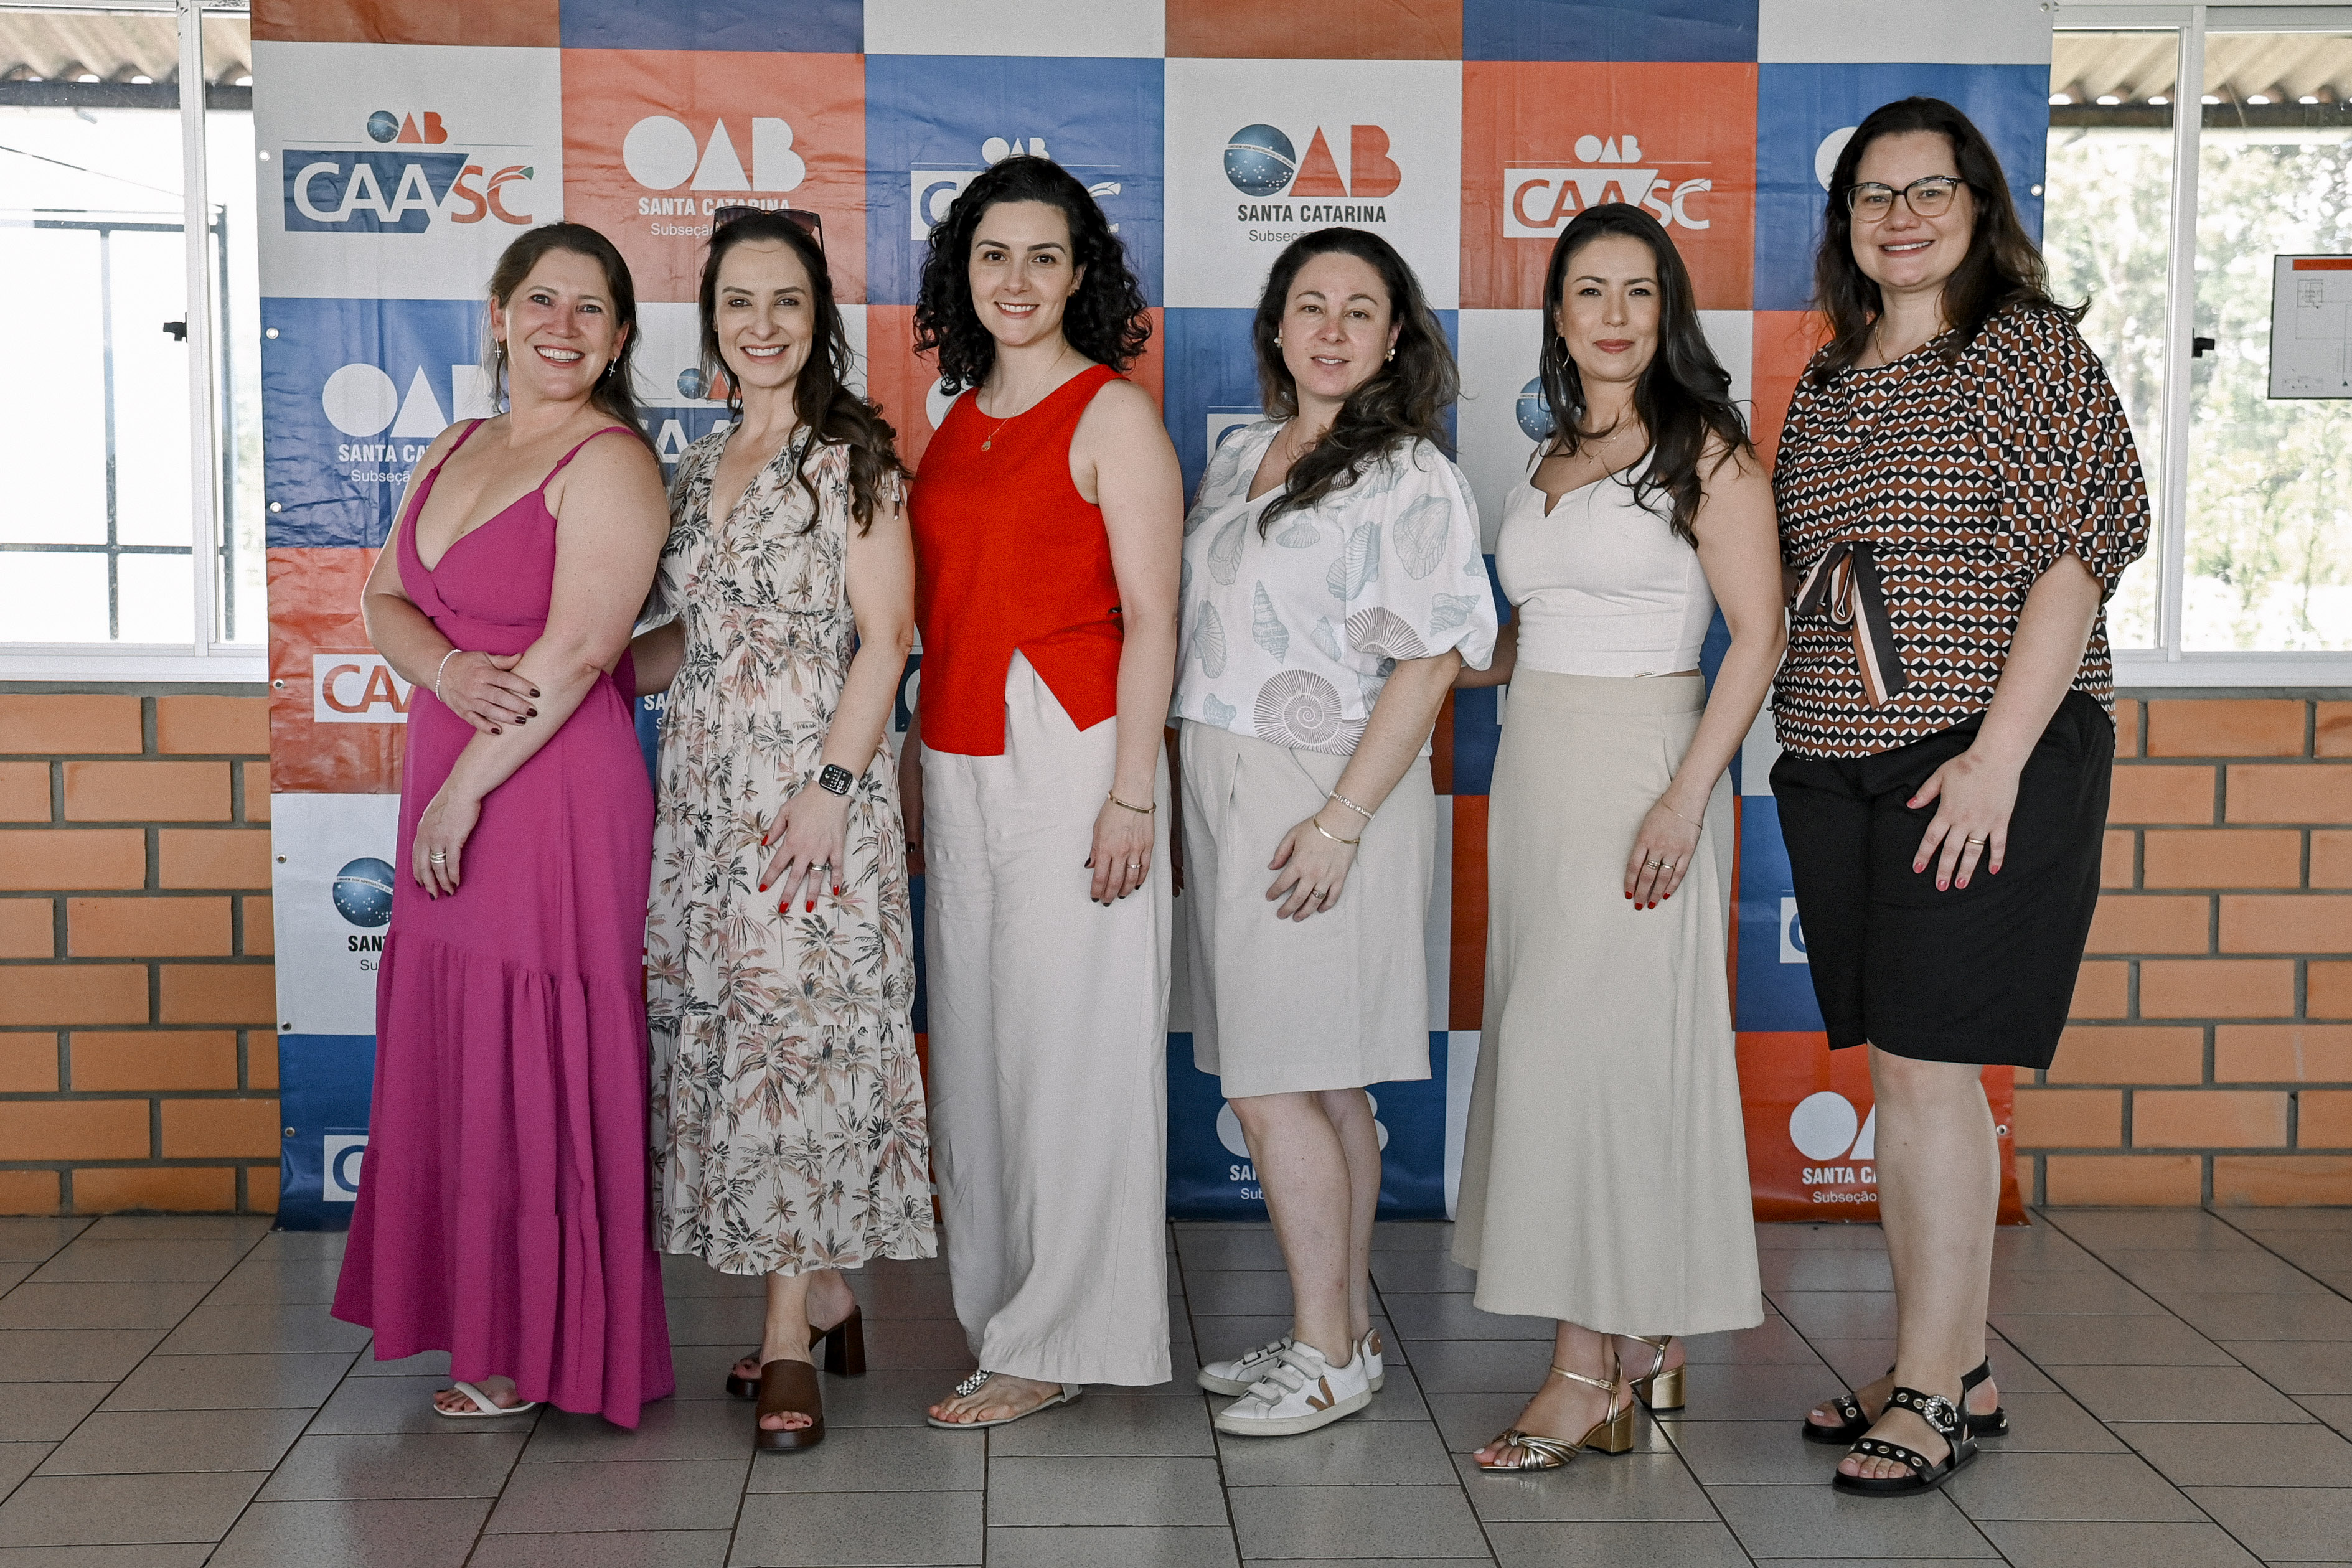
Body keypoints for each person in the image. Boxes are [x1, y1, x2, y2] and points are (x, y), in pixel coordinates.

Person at [1774, 98, 2149, 1495]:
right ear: (1846, 222)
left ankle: (1930, 1388)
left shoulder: (2024, 349)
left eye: (1928, 190)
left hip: (1981, 758)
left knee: (1934, 1074)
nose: (1901, 218)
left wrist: (1993, 760)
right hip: (1841, 761)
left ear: (1979, 206)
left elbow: (2076, 556)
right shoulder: (1829, 377)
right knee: (1901, 1072)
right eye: (1873, 196)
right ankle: (1953, 1361)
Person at [1448, 203, 1780, 1470]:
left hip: (1645, 767)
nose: (1613, 315)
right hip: (1537, 765)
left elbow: (1758, 634)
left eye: (1638, 291)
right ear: (1556, 311)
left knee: (1590, 1057)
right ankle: (1649, 1336)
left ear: (1667, 309)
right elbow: (1538, 626)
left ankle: (1586, 1369)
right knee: (1570, 1052)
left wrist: (1685, 795)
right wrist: (1449, 659)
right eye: (1588, 290)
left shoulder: (1707, 451)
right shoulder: (1549, 452)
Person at [334, 223, 675, 1426]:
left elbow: (579, 653)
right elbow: (382, 597)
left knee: (536, 1050)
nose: (561, 328)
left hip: (547, 790)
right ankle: (483, 1322)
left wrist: (465, 789)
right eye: (541, 301)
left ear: (619, 338)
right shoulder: (454, 444)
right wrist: (441, 671)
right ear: (497, 315)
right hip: (455, 764)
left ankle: (553, 1346)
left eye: (591, 310)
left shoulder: (612, 463)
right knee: (463, 1053)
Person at [1177, 227, 1497, 1438]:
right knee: (1318, 1080)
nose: (1329, 329)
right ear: (1274, 326)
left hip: (1325, 795)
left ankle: (1322, 1355)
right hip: (1235, 784)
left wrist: (1340, 821)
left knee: (1273, 1086)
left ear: (1395, 337)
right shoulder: (1245, 457)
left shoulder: (1409, 473)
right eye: (1308, 305)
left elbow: (1433, 661)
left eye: (1358, 310)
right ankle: (1343, 1331)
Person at [629, 210, 931, 1453]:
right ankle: (828, 1293)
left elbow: (888, 637)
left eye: (786, 302)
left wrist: (831, 787)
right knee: (732, 1050)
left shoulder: (852, 462)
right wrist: (571, 675)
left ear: (819, 321)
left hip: (813, 799)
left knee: (796, 1055)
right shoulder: (692, 468)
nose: (762, 325)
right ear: (711, 324)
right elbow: (686, 642)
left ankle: (788, 1340)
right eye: (738, 303)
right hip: (704, 803)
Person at [898, 156, 1185, 1429]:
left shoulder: (1111, 414)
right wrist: (913, 764)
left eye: (1044, 257)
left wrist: (1132, 794)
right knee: (975, 1053)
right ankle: (1004, 1318)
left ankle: (1063, 1332)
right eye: (993, 255)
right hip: (958, 750)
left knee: (1071, 1053)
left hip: (1073, 753)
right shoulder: (955, 418)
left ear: (1082, 276)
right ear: (962, 271)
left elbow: (1155, 616)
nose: (1016, 280)